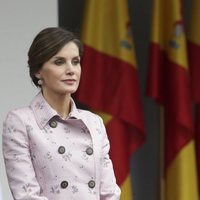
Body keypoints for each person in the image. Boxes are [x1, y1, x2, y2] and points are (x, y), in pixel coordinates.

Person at [2, 27, 121, 200]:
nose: (71, 70)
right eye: (59, 62)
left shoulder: (94, 122)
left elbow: (110, 193)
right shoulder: (20, 122)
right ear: (38, 71)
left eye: (76, 61)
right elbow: (26, 195)